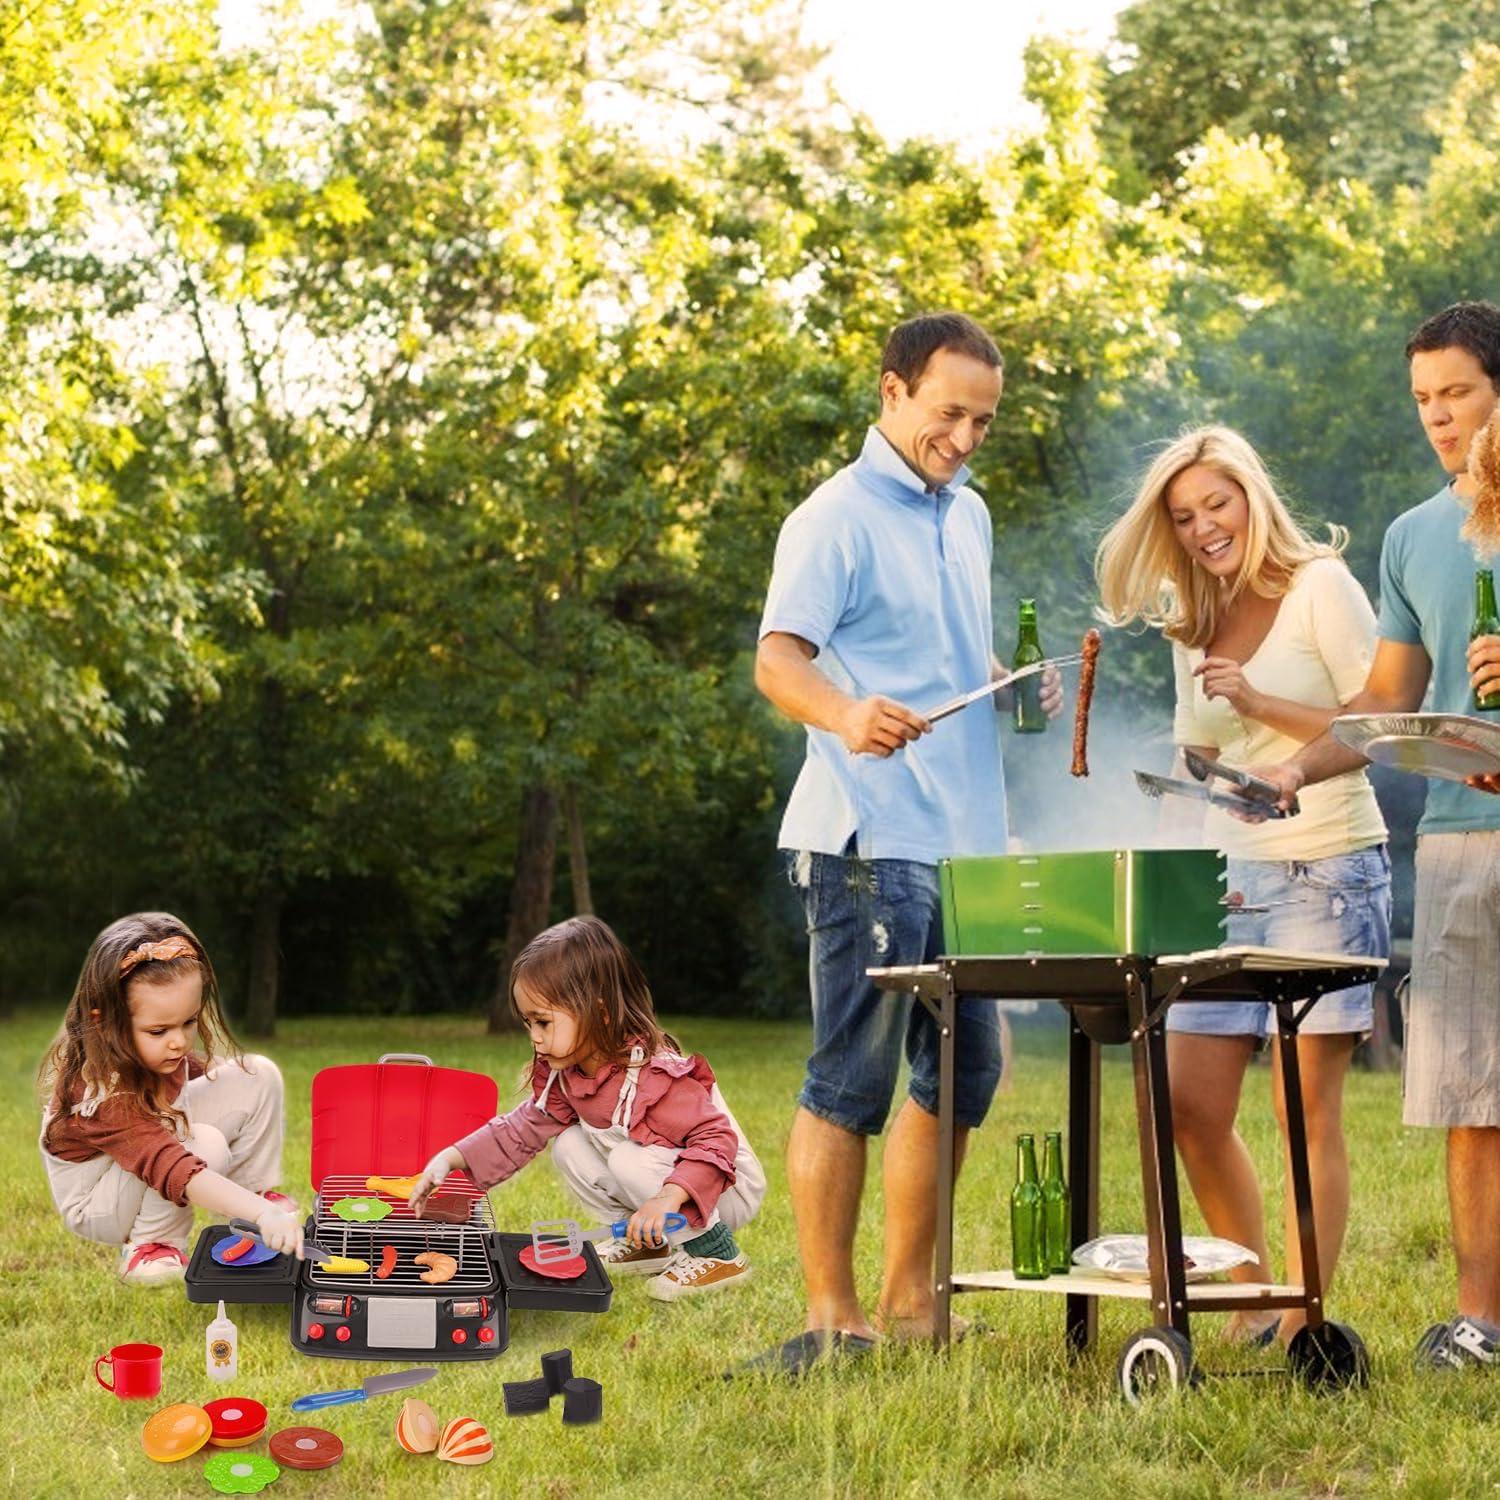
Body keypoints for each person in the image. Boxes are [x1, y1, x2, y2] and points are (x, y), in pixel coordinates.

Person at [749, 311, 1061, 1376]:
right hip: (866, 840)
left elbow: (949, 658)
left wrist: (1020, 685)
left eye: (982, 420)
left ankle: (912, 1301)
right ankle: (834, 1318)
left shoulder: (964, 515)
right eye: (947, 414)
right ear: (891, 394)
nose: (966, 437)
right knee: (854, 1076)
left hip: (965, 841)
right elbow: (780, 664)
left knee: (965, 1071)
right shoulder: (831, 518)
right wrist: (843, 715)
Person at [1095, 425, 1391, 1346]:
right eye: (1183, 518)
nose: (1202, 527)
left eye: (1214, 505)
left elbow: (1378, 722)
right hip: (1231, 878)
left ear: (1253, 498)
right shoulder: (1192, 616)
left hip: (1328, 865)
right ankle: (1253, 1301)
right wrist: (1183, 784)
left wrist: (1261, 706)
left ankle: (1306, 1320)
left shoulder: (1321, 588)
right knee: (1185, 1104)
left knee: (1301, 1111)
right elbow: (1209, 750)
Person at [1251, 301, 1500, 1369]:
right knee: (1472, 1093)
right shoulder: (1411, 537)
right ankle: (1482, 1322)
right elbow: (1389, 700)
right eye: (1425, 400)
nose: (1439, 418)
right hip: (1458, 840)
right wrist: (1295, 768)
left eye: (1460, 395)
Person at [408, 915, 765, 1302]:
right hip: (664, 1187)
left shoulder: (652, 1075)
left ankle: (716, 1253)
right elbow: (520, 1130)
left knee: (630, 1160)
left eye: (543, 1022)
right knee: (568, 1145)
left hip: (721, 1188)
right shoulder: (569, 1074)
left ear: (600, 1013)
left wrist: (667, 1199)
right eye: (528, 1023)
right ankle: (647, 1242)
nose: (534, 1037)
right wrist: (451, 1157)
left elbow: (716, 1140)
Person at [38, 912, 301, 1286]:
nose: (179, 1041)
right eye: (159, 1030)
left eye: (189, 1022)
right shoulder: (99, 1089)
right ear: (104, 1024)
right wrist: (262, 1214)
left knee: (256, 1074)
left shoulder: (160, 1051)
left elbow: (209, 1083)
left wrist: (256, 1208)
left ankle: (249, 1195)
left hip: (153, 1151)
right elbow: (167, 1159)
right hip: (97, 1203)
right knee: (199, 1142)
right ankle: (152, 1244)